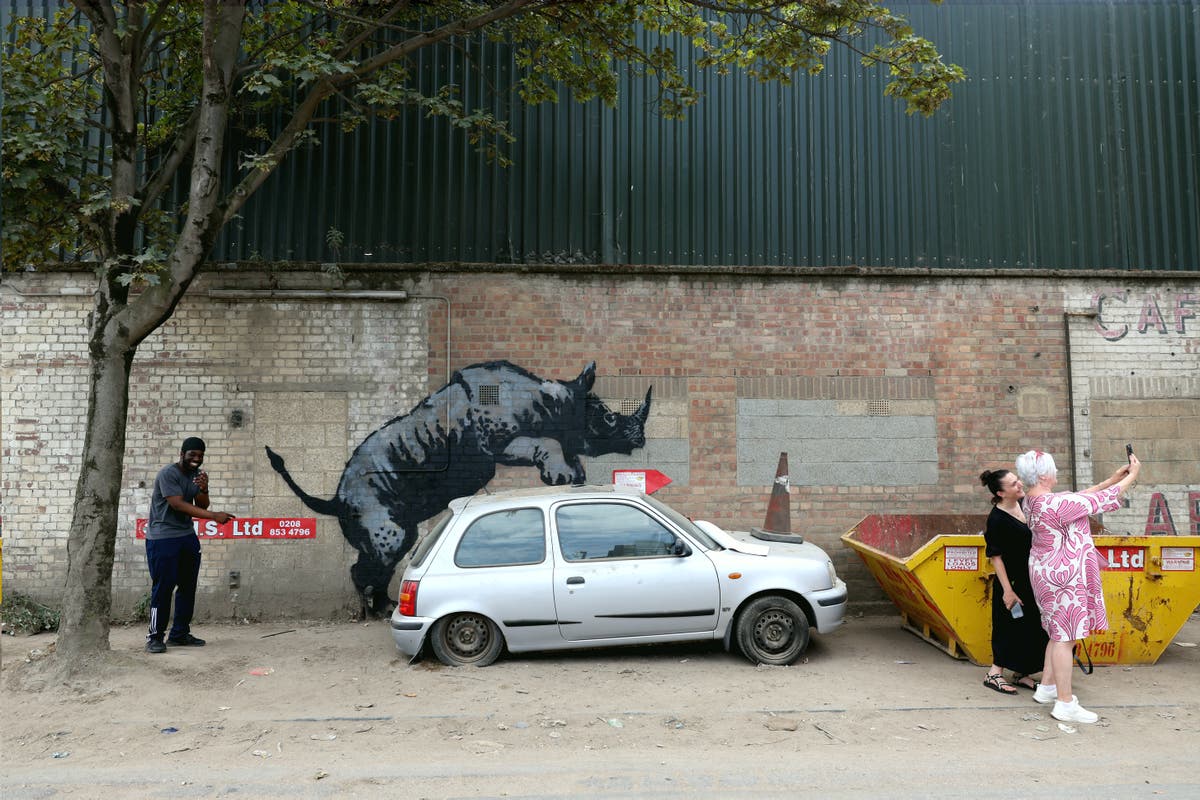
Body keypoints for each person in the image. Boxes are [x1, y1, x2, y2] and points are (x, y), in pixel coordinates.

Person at [1016, 449, 1140, 724]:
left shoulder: (1032, 502)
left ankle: (1047, 688)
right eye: (1054, 468)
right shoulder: (1055, 505)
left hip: (1044, 572)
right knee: (1065, 637)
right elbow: (1098, 501)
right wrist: (1132, 476)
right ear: (1045, 474)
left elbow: (1083, 497)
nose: (1057, 472)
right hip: (1064, 577)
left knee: (1055, 631)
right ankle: (1065, 702)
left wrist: (1111, 479)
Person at [144, 436, 236, 654]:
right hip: (163, 538)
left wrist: (204, 489)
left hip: (186, 536)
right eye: (192, 454)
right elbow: (177, 504)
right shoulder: (169, 474)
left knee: (187, 586)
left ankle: (179, 633)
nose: (196, 459)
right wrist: (213, 516)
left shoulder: (198, 475)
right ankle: (155, 637)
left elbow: (201, 503)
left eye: (200, 456)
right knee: (163, 588)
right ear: (181, 454)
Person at [979, 468, 1048, 696]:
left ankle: (1022, 673)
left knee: (1031, 627)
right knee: (1007, 626)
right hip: (1012, 581)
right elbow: (995, 557)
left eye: (1018, 481)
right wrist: (1007, 591)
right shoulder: (996, 519)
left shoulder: (1024, 505)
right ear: (1000, 493)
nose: (1020, 485)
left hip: (1030, 579)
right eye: (1013, 484)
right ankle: (994, 673)